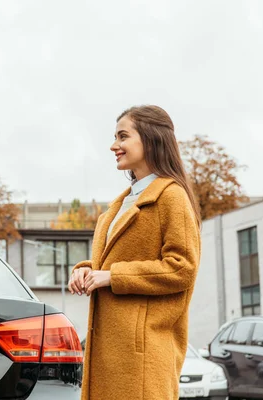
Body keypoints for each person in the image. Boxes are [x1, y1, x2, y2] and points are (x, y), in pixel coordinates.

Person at [68, 105, 201, 400]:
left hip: (143, 356)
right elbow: (112, 262)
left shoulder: (171, 195)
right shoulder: (121, 203)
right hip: (110, 354)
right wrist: (87, 269)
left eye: (123, 136)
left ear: (151, 139)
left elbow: (182, 268)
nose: (114, 146)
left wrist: (111, 277)